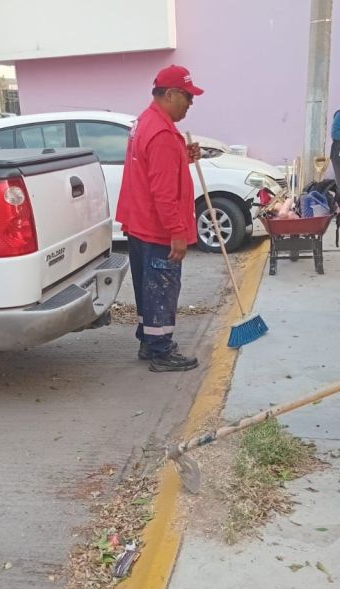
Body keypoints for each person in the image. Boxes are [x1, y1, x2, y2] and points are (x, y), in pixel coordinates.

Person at [115, 65, 204, 372]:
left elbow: (156, 169)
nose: (190, 104)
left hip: (140, 224)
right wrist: (177, 232)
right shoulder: (163, 133)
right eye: (188, 97)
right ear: (170, 94)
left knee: (147, 287)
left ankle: (148, 340)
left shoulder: (146, 122)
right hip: (156, 229)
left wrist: (184, 155)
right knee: (162, 287)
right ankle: (161, 351)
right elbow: (164, 192)